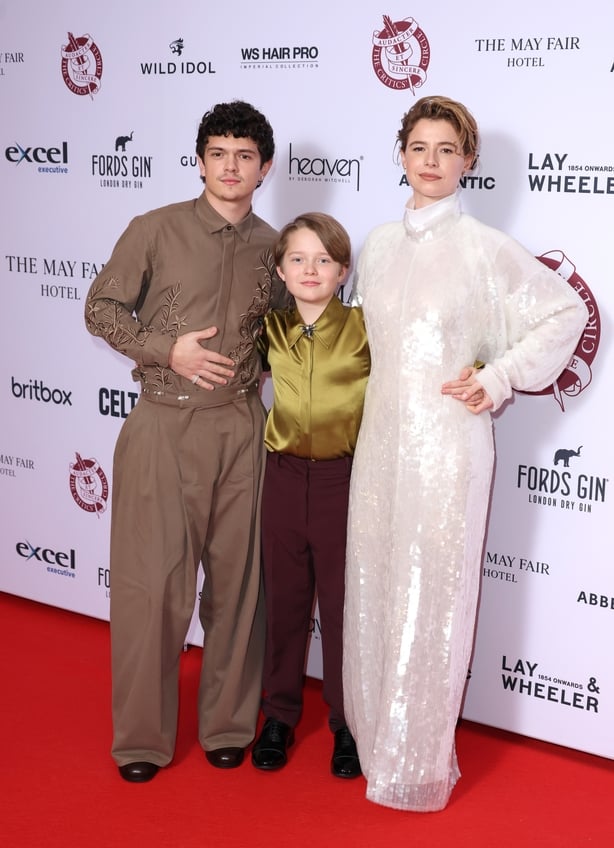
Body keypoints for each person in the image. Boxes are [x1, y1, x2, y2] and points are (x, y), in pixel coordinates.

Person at [342, 95, 588, 811]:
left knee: (433, 596)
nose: (431, 161)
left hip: (448, 448)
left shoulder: (485, 247)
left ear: (468, 161)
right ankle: (373, 740)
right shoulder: (377, 244)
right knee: (375, 582)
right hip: (379, 443)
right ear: (401, 155)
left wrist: (499, 377)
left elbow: (565, 310)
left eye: (447, 149)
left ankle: (414, 764)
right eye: (419, 147)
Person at [84, 100, 284, 783]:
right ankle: (141, 739)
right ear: (200, 161)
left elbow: (287, 335)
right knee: (151, 587)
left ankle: (228, 724)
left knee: (240, 585)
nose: (231, 167)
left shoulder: (275, 247)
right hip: (163, 426)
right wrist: (166, 349)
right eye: (218, 153)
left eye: (245, 156)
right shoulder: (154, 228)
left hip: (242, 427)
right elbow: (100, 308)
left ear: (264, 167)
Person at [251, 213, 370, 778]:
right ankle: (278, 715)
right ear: (280, 269)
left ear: (343, 270)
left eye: (324, 260)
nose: (310, 269)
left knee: (344, 607)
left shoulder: (367, 328)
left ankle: (348, 722)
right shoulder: (268, 329)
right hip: (281, 476)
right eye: (297, 259)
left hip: (342, 482)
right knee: (284, 602)